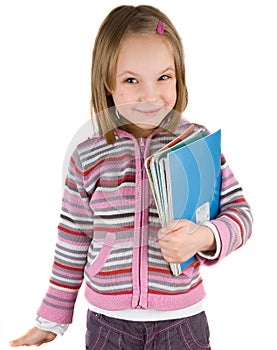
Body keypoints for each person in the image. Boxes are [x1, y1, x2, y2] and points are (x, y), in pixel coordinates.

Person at [10, 5, 253, 349]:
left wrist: (204, 237)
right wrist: (52, 318)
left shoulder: (196, 145)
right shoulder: (87, 155)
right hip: (108, 327)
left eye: (163, 78)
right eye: (131, 80)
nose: (150, 95)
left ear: (179, 76)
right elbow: (73, 240)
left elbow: (241, 215)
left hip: (182, 324)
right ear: (108, 82)